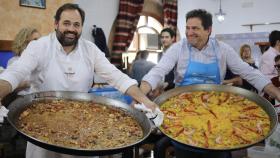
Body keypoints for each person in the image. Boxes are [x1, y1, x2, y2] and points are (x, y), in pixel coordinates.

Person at [0, 3, 158, 158]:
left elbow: (117, 76)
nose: (71, 29)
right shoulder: (38, 47)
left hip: (84, 128)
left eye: (77, 25)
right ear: (56, 24)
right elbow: (15, 72)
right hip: (41, 128)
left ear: (82, 27)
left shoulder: (90, 50)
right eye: (66, 23)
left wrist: (146, 101)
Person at [140, 9, 280, 158]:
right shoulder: (178, 48)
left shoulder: (222, 49)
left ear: (208, 30)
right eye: (187, 28)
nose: (189, 32)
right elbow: (158, 71)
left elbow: (249, 72)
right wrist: (140, 93)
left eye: (195, 28)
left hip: (218, 110)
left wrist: (276, 93)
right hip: (181, 109)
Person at [7, 27, 41, 95]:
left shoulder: (41, 60)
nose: (39, 43)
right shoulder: (14, 61)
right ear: (23, 42)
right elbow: (11, 85)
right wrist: (27, 83)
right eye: (35, 40)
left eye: (40, 40)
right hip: (22, 98)